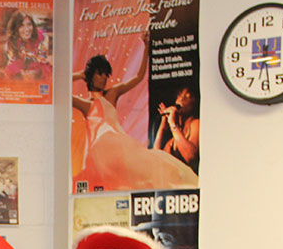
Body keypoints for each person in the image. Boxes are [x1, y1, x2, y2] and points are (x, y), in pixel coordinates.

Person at [71, 39, 197, 191]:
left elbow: (138, 77)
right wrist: (79, 75)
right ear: (90, 76)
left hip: (120, 147)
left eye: (106, 74)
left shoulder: (112, 94)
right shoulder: (87, 105)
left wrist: (146, 49)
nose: (104, 78)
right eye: (100, 74)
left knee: (154, 169)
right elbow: (61, 90)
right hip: (100, 151)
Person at [153, 84, 199, 172]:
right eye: (179, 95)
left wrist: (173, 124)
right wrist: (163, 124)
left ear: (194, 103)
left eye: (187, 96)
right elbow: (156, 159)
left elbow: (191, 157)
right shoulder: (173, 139)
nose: (181, 99)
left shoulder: (195, 123)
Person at [3, 10, 50, 80]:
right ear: (15, 28)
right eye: (21, 26)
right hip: (21, 69)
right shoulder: (12, 41)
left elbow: (43, 60)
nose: (26, 29)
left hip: (38, 69)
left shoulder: (42, 38)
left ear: (33, 25)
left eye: (29, 24)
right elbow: (12, 62)